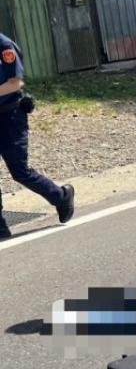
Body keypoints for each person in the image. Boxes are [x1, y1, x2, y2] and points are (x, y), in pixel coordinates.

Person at [0, 32, 74, 239]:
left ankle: (61, 197)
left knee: (19, 170)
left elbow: (15, 83)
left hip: (10, 117)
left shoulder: (4, 46)